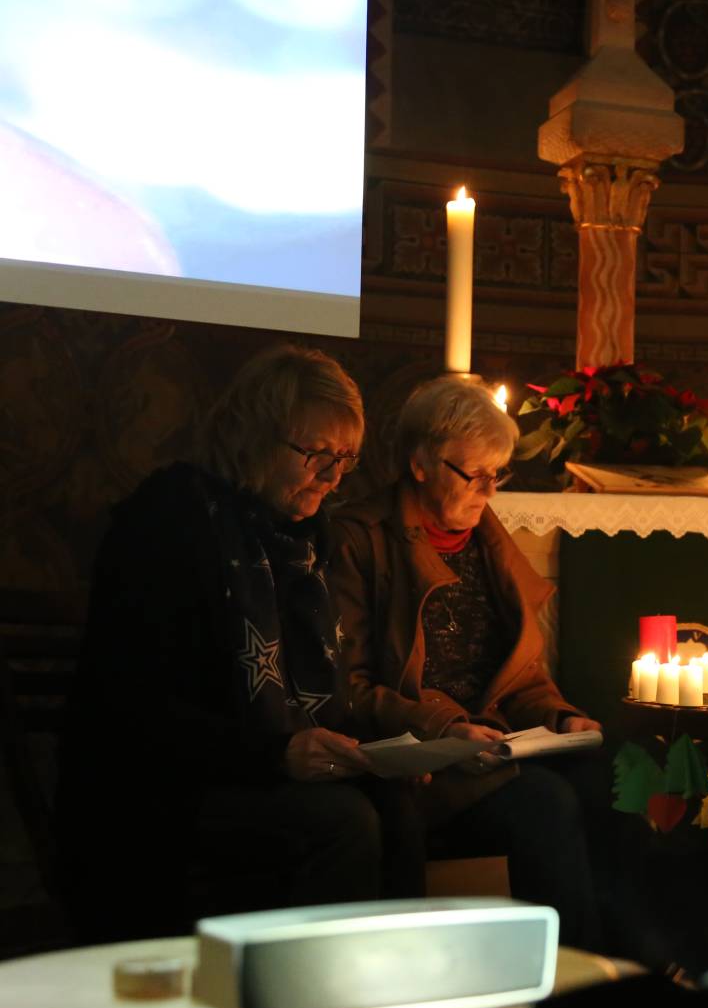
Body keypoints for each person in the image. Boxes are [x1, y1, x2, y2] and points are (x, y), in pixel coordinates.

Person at [56, 344, 424, 942]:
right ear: (254, 435)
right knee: (343, 822)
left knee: (396, 802)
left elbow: (324, 689)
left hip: (251, 770)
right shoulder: (171, 520)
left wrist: (401, 746)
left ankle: (385, 1001)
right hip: (158, 788)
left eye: (346, 459)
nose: (332, 478)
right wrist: (275, 755)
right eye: (315, 454)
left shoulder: (305, 537)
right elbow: (135, 709)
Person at [331, 376, 602, 947]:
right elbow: (346, 685)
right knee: (547, 805)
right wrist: (445, 726)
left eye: (496, 474)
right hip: (425, 764)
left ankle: (639, 967)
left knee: (616, 778)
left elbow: (520, 674)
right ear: (421, 463)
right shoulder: (360, 538)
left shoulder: (487, 540)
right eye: (474, 473)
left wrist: (559, 717)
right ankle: (570, 994)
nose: (489, 491)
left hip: (495, 747)